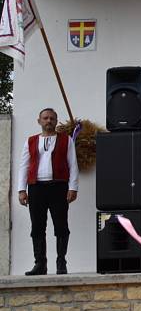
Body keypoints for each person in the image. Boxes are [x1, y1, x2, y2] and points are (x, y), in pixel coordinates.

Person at [17, 108, 79, 275]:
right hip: (36, 187)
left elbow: (73, 165)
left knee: (61, 225)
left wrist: (73, 187)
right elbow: (24, 166)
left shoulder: (66, 140)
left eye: (52, 118)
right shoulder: (30, 141)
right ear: (39, 121)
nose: (48, 121)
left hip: (59, 187)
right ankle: (40, 264)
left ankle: (61, 262)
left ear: (56, 121)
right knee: (37, 226)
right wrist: (21, 189)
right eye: (45, 118)